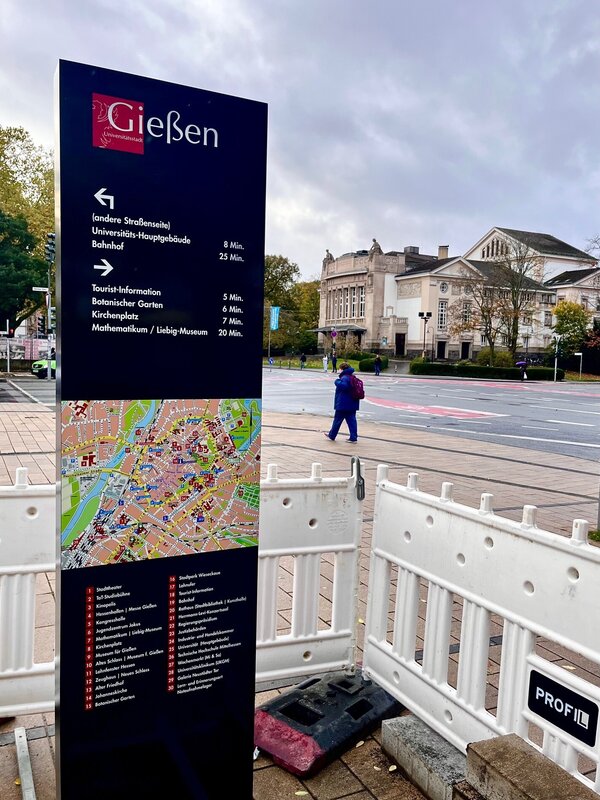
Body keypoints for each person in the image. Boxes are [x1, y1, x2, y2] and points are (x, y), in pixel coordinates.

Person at [323, 362, 360, 443]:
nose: (338, 370)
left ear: (343, 369)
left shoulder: (345, 377)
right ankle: (353, 437)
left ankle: (332, 435)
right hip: (352, 403)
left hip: (343, 404)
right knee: (352, 421)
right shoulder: (352, 377)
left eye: (339, 369)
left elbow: (344, 386)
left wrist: (336, 381)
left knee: (337, 420)